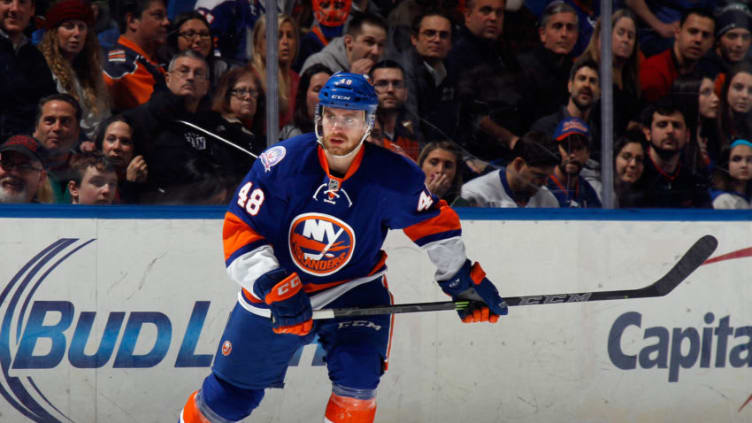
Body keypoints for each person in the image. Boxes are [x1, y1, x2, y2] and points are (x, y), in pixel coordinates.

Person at [179, 72, 508, 423]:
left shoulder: (394, 175)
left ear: (368, 124)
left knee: (357, 386)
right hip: (278, 290)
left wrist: (461, 284)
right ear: (319, 117)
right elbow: (241, 227)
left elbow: (434, 228)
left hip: (354, 290)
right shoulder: (282, 163)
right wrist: (270, 281)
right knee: (228, 401)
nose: (339, 126)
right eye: (331, 115)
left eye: (350, 118)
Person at [38, 0, 111, 139]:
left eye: (81, 27)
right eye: (69, 26)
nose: (77, 33)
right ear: (54, 32)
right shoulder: (43, 69)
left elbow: (103, 116)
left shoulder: (92, 71)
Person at [579, 9, 642, 136]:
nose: (626, 40)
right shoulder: (589, 71)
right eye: (621, 33)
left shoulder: (631, 79)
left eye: (630, 36)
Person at [0, 0, 57, 141]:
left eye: (22, 2)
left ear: (32, 10)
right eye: (7, 1)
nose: (14, 9)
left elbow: (48, 101)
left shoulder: (34, 56)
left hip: (27, 147)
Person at [639, 99, 712, 208]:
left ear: (687, 135)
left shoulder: (694, 181)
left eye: (676, 125)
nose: (670, 130)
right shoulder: (636, 175)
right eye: (662, 124)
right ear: (648, 133)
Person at [517, 0, 579, 125]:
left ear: (576, 36)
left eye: (570, 28)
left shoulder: (577, 72)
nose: (564, 34)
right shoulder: (523, 67)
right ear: (542, 34)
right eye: (557, 26)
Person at [460, 131, 560, 208]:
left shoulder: (548, 200)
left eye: (547, 176)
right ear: (518, 164)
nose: (545, 183)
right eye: (539, 176)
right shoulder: (476, 194)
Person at [103, 0, 170, 111]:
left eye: (166, 16)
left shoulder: (159, 59)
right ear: (132, 21)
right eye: (158, 16)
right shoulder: (121, 65)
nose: (167, 22)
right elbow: (163, 110)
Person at [403, 9, 457, 143]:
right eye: (430, 33)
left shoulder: (452, 68)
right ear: (414, 39)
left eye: (443, 35)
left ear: (450, 43)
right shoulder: (404, 70)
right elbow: (411, 123)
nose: (437, 40)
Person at [639, 8, 715, 104]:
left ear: (712, 42)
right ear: (677, 32)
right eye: (693, 31)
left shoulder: (709, 71)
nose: (698, 39)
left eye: (705, 35)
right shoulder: (654, 71)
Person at [205, 66, 266, 181]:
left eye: (253, 92)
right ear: (226, 95)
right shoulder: (218, 131)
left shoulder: (258, 136)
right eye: (241, 91)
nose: (248, 97)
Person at [531, 58, 601, 154]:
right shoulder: (545, 128)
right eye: (582, 78)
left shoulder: (600, 136)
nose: (587, 85)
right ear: (570, 86)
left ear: (600, 92)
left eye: (592, 81)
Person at [250, 13, 300, 129]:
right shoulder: (250, 79)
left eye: (290, 36)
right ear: (258, 43)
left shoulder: (298, 80)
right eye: (278, 35)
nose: (285, 42)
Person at [32, 93, 84, 203]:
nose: (57, 128)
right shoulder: (17, 169)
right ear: (36, 128)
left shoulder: (89, 172)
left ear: (78, 130)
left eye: (65, 121)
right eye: (49, 120)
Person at [300, 12, 387, 75]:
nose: (375, 51)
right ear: (349, 42)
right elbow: (308, 100)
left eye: (381, 45)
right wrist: (352, 80)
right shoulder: (319, 63)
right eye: (369, 42)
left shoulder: (380, 71)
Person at [369, 60, 422, 160]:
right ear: (369, 90)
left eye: (397, 84)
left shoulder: (412, 133)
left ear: (405, 92)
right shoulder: (365, 134)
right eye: (382, 83)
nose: (390, 90)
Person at [545, 117, 602, 208]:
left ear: (588, 153)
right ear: (556, 150)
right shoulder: (542, 184)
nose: (572, 155)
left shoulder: (587, 190)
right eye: (567, 147)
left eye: (579, 148)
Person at [163, 11, 227, 90]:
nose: (198, 39)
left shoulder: (223, 72)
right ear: (174, 39)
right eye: (190, 34)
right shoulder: (160, 71)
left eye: (204, 34)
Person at [671, 74, 721, 173]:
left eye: (714, 92)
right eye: (706, 92)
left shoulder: (711, 134)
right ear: (688, 96)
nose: (716, 99)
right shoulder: (677, 138)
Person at [94, 114, 147, 203]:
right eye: (111, 139)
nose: (116, 147)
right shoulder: (87, 176)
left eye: (125, 141)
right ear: (101, 143)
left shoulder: (144, 181)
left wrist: (133, 185)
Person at [697, 3, 752, 82]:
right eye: (732, 36)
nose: (739, 44)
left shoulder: (749, 67)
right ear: (717, 40)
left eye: (745, 37)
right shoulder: (701, 69)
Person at [295, 0, 352, 71]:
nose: (331, 12)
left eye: (338, 6)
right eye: (325, 5)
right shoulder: (307, 43)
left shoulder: (348, 42)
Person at [279, 63, 332, 140]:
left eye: (328, 90)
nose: (324, 95)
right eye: (317, 90)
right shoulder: (294, 135)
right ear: (304, 96)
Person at [0, 134, 49, 203]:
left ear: (41, 178)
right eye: (6, 164)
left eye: (24, 167)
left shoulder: (47, 213)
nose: (13, 173)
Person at [717, 62, 752, 151]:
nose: (745, 95)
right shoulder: (712, 124)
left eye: (751, 91)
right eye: (738, 88)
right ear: (727, 89)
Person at [710, 139, 752, 209]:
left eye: (750, 160)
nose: (744, 165)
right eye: (736, 159)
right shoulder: (723, 200)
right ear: (726, 164)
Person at [418, 140, 463, 204]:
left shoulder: (462, 205)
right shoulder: (404, 196)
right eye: (433, 163)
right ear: (421, 166)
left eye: (448, 166)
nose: (440, 170)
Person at [613, 130, 648, 208]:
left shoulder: (647, 197)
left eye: (639, 159)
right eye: (626, 157)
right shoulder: (599, 192)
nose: (633, 164)